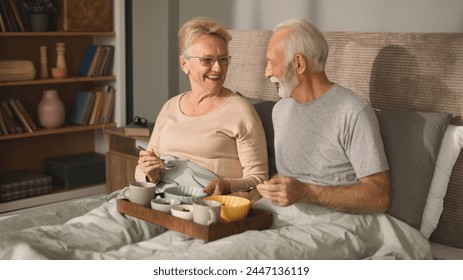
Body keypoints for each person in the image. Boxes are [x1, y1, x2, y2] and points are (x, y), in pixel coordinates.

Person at [257, 19, 391, 213]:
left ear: (298, 64)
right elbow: (291, 179)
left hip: (332, 223)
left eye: (271, 63)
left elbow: (380, 197)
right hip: (280, 216)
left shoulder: (352, 111)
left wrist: (305, 193)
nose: (266, 73)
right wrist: (252, 194)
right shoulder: (280, 111)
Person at [135, 17, 268, 195]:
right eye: (207, 60)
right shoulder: (170, 107)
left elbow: (259, 179)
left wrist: (226, 185)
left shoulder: (241, 111)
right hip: (160, 198)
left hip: (204, 204)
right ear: (184, 64)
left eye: (223, 59)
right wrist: (151, 173)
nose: (218, 68)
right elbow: (141, 170)